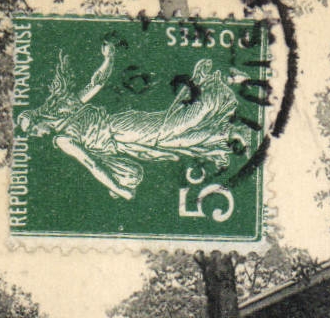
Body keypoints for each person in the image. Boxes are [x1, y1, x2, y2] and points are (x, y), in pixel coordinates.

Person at [17, 42, 254, 201]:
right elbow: (95, 86)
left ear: (37, 118)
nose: (37, 135)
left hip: (120, 130)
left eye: (33, 130)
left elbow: (91, 164)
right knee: (173, 142)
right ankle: (226, 134)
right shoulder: (63, 116)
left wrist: (118, 188)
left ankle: (214, 90)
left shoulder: (62, 136)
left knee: (168, 130)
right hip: (123, 140)